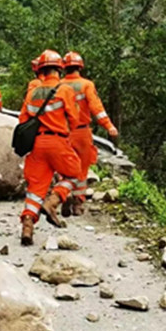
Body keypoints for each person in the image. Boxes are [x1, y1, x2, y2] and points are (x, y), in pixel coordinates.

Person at [18, 50, 83, 246]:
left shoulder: (32, 92)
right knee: (74, 174)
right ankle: (52, 202)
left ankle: (27, 225)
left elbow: (23, 120)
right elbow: (75, 119)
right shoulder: (65, 90)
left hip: (37, 145)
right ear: (59, 70)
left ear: (41, 70)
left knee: (35, 189)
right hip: (58, 142)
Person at [61, 51, 119, 215]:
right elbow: (96, 108)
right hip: (82, 132)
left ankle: (64, 195)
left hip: (63, 132)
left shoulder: (58, 85)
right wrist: (109, 126)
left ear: (64, 68)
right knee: (82, 168)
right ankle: (78, 203)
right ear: (80, 67)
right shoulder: (86, 85)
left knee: (63, 166)